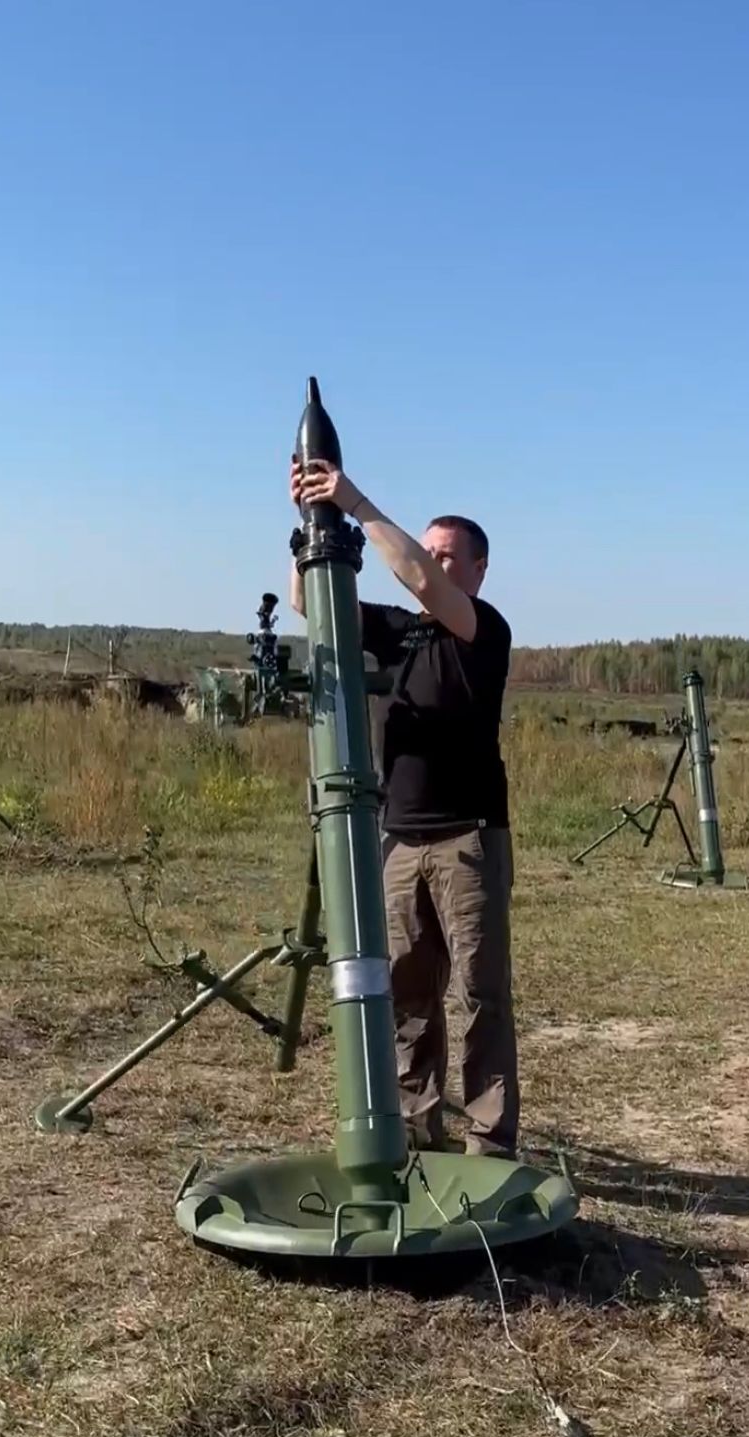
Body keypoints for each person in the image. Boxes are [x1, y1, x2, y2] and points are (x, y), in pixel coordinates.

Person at [288, 455, 519, 1160]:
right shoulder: (398, 630)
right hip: (398, 840)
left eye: (448, 555)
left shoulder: (482, 629)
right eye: (430, 549)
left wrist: (354, 502)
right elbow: (309, 604)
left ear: (478, 570)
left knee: (480, 997)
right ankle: (420, 1130)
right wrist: (309, 523)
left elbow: (418, 577)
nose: (434, 562)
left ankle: (491, 1146)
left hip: (467, 840)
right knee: (410, 998)